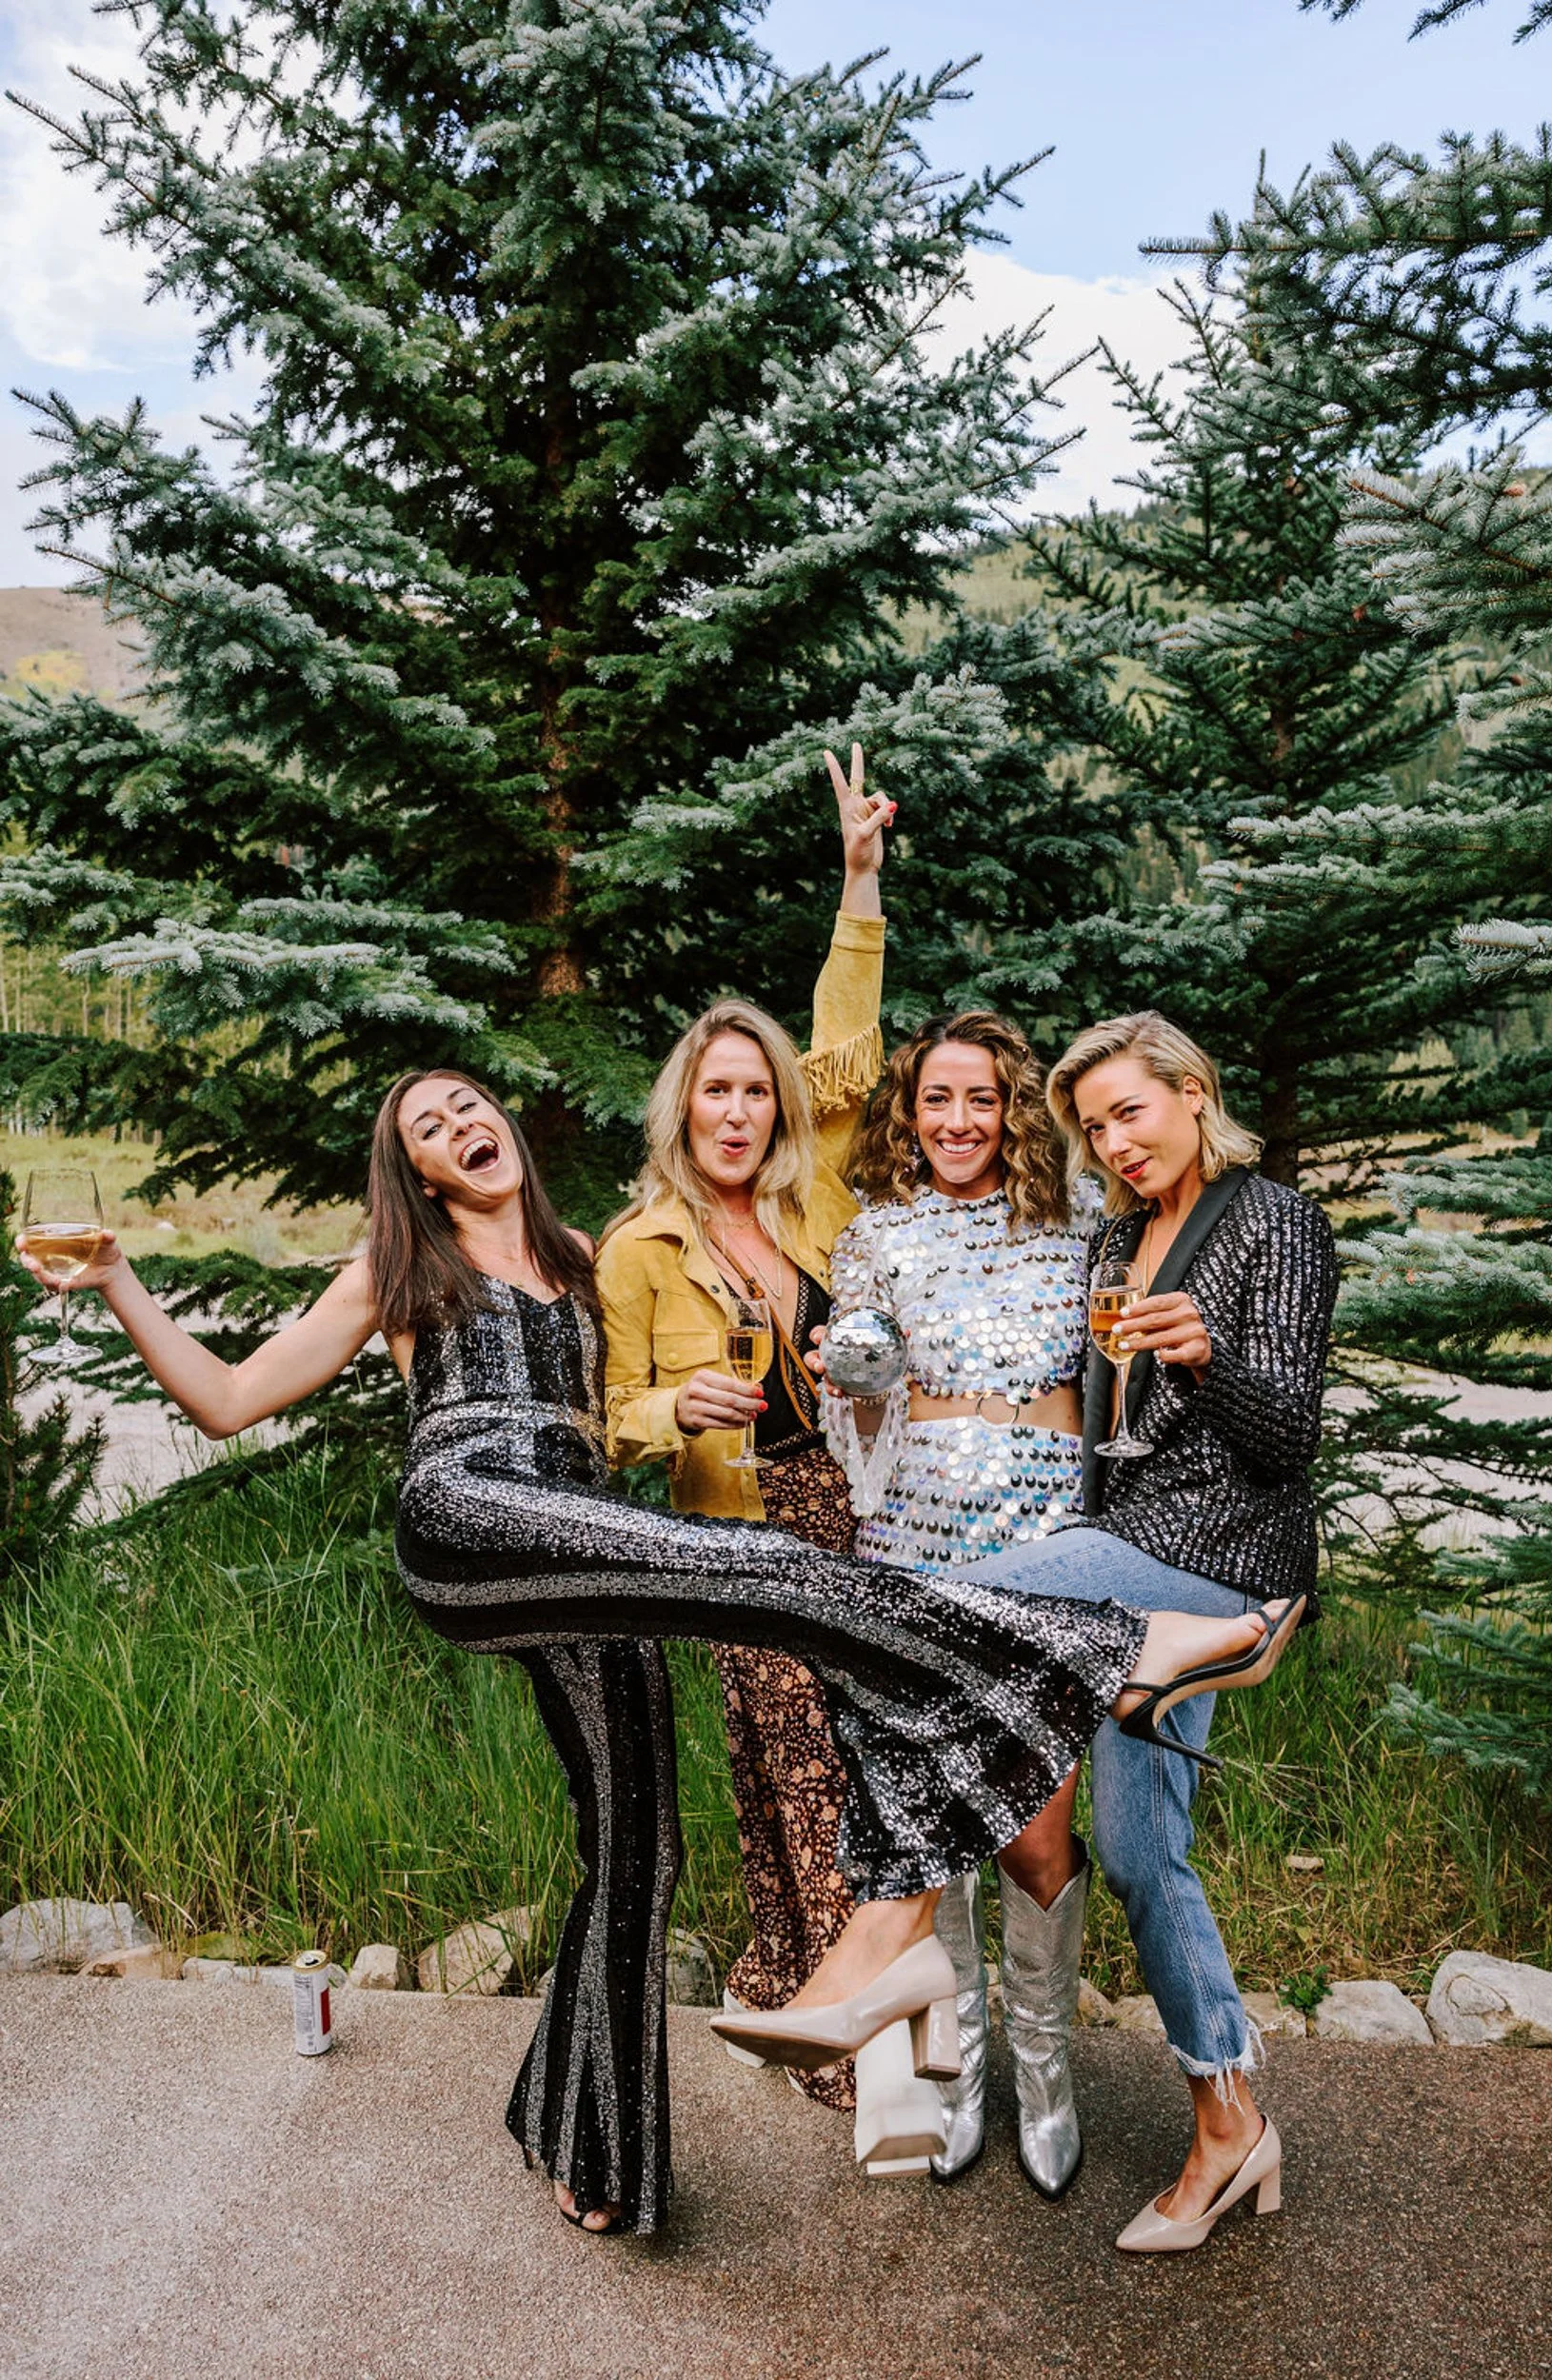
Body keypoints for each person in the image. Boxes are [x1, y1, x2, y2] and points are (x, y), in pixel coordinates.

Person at [18, 1060, 1304, 2238]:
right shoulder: (399, 1270)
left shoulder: (588, 1257)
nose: (462, 1127)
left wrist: (754, 1380)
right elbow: (230, 1398)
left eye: (471, 1107)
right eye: (430, 1128)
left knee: (642, 1847)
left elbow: (751, 1208)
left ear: (506, 1128)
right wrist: (123, 1282)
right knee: (764, 1573)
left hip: (588, 1537)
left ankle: (586, 2137)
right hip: (472, 1515)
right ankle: (1108, 1641)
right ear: (413, 1171)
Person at [970, 1009, 1339, 2253]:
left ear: (1192, 1091)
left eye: (1130, 1111)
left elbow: (1285, 1437)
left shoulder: (1273, 1220)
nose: (1114, 1142)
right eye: (1094, 1127)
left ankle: (883, 1948)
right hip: (1133, 1566)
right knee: (1137, 1854)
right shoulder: (1122, 1237)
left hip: (1218, 1556)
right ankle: (1232, 2120)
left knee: (960, 1603)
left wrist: (1211, 1351)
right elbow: (1107, 1443)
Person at [597, 744, 889, 2127]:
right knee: (791, 1742)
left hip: (857, 1500)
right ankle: (842, 2028)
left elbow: (852, 1047)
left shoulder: (808, 1200)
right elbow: (606, 1422)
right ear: (683, 1104)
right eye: (715, 1091)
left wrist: (858, 888)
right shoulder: (639, 1244)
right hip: (739, 1523)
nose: (738, 1110)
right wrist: (675, 1408)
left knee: (840, 1744)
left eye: (755, 1091)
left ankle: (797, 1976)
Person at [823, 1010, 1100, 2196]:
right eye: (937, 1099)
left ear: (1013, 1109)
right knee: (939, 1817)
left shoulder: (1077, 1226)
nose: (957, 1122)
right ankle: (961, 2069)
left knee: (1037, 1828)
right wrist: (859, 1366)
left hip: (1044, 1545)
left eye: (980, 1099)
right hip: (914, 1544)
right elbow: (861, 1406)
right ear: (908, 1111)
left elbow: (1116, 1381)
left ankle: (1047, 2071)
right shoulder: (875, 1234)